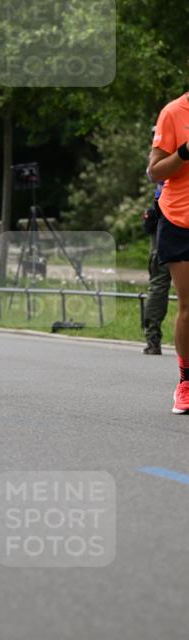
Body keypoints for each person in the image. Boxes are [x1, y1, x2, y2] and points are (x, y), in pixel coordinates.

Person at [148, 91, 189, 413]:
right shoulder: (174, 112)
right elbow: (156, 172)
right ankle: (186, 382)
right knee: (188, 305)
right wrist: (185, 152)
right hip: (181, 218)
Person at [141, 178, 171, 355]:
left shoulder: (163, 152)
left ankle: (153, 339)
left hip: (165, 217)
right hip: (166, 217)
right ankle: (152, 337)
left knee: (159, 284)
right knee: (159, 284)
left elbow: (154, 172)